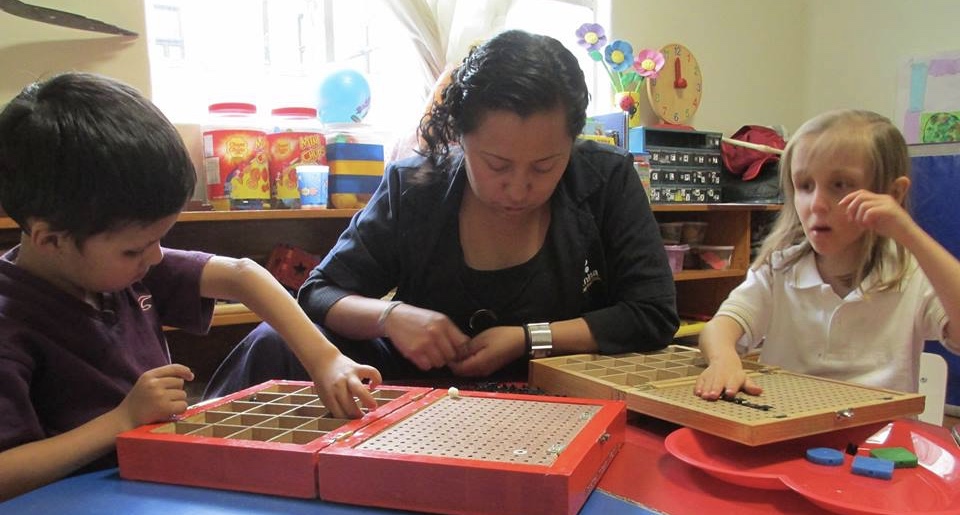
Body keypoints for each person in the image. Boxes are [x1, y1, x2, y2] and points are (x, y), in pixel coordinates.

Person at [204, 29, 679, 397]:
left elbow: (652, 313)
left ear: (572, 143)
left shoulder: (606, 180)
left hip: (557, 388)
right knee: (274, 341)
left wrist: (528, 339)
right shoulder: (416, 185)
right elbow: (320, 294)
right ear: (459, 137)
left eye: (545, 165)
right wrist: (391, 317)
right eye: (496, 164)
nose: (518, 188)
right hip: (418, 390)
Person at [0, 72, 382, 499]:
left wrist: (325, 359)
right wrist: (121, 422)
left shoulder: (111, 266)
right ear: (51, 240)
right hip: (81, 497)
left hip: (156, 473)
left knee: (273, 342)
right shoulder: (12, 321)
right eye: (136, 249)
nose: (157, 257)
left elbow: (242, 275)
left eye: (159, 240)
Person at [695, 109, 960, 400]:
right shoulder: (779, 269)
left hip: (877, 440)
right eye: (805, 186)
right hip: (790, 431)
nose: (817, 205)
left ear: (892, 193)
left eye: (840, 185)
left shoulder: (910, 273)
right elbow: (721, 326)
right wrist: (723, 360)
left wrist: (909, 234)